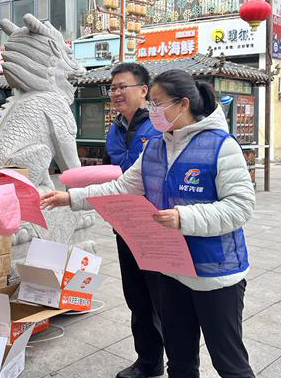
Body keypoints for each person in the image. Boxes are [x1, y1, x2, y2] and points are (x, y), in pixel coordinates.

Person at [41, 70, 256, 378]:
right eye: (151, 104)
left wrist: (184, 218)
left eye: (158, 103)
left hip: (214, 272)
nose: (152, 110)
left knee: (229, 363)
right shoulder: (155, 147)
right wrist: (70, 198)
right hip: (171, 269)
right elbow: (121, 188)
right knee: (180, 362)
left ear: (183, 104)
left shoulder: (221, 145)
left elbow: (241, 206)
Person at [103, 63, 164, 378]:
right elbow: (108, 172)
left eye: (122, 86)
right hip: (124, 223)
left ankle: (179, 361)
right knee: (137, 296)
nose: (115, 93)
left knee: (163, 297)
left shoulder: (159, 125)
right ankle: (149, 361)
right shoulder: (114, 128)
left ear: (143, 90)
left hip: (157, 224)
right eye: (112, 88)